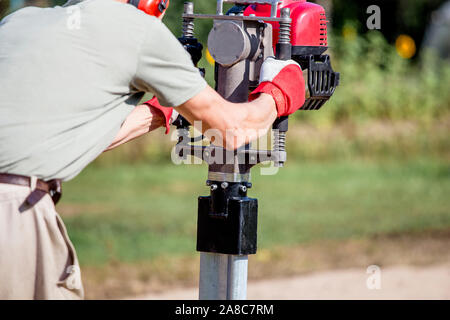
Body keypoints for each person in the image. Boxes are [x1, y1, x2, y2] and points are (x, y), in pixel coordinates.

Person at [0, 0, 305, 299]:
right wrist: (279, 92)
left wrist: (165, 109)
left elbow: (69, 137)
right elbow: (232, 129)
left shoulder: (20, 23)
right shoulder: (137, 29)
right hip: (15, 215)